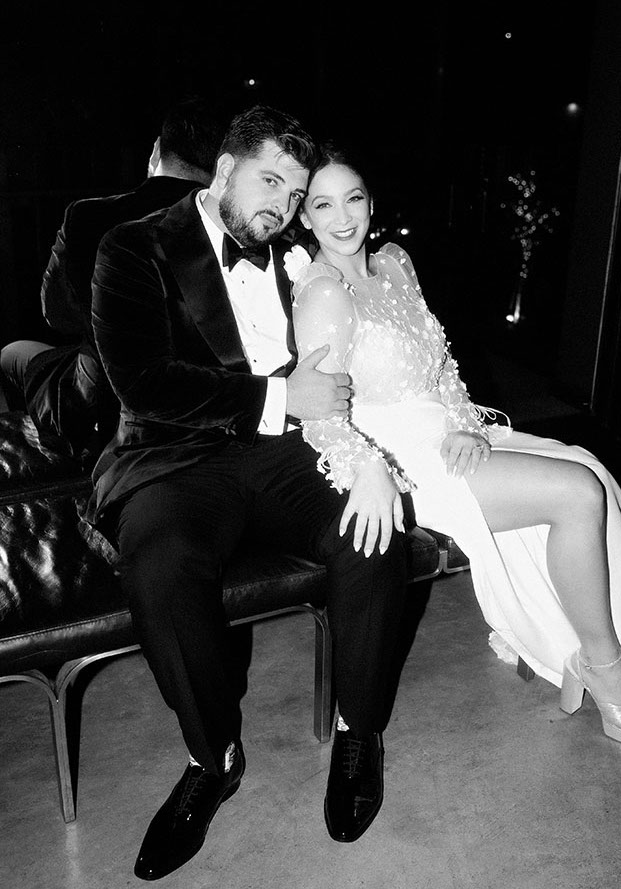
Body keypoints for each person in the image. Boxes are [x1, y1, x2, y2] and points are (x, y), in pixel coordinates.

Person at [84, 106, 408, 880]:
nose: (284, 206)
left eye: (295, 193)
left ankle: (356, 730)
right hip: (174, 460)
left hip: (286, 457)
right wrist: (278, 401)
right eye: (271, 182)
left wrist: (368, 458)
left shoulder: (297, 254)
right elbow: (144, 382)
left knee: (376, 527)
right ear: (224, 172)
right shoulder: (134, 248)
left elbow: (345, 367)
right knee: (161, 565)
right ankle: (212, 754)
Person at [287, 143, 621, 751]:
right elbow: (319, 416)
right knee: (577, 493)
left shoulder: (394, 263)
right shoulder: (324, 294)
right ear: (304, 216)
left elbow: (443, 366)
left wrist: (462, 423)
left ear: (371, 202)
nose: (341, 217)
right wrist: (374, 470)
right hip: (401, 460)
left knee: (588, 465)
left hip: (451, 434)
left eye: (352, 198)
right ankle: (608, 673)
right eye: (321, 204)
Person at [0, 95, 228, 461]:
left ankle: (37, 459)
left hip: (101, 408)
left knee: (12, 353)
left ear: (156, 152)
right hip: (203, 406)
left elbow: (56, 315)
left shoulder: (88, 216)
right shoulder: (227, 226)